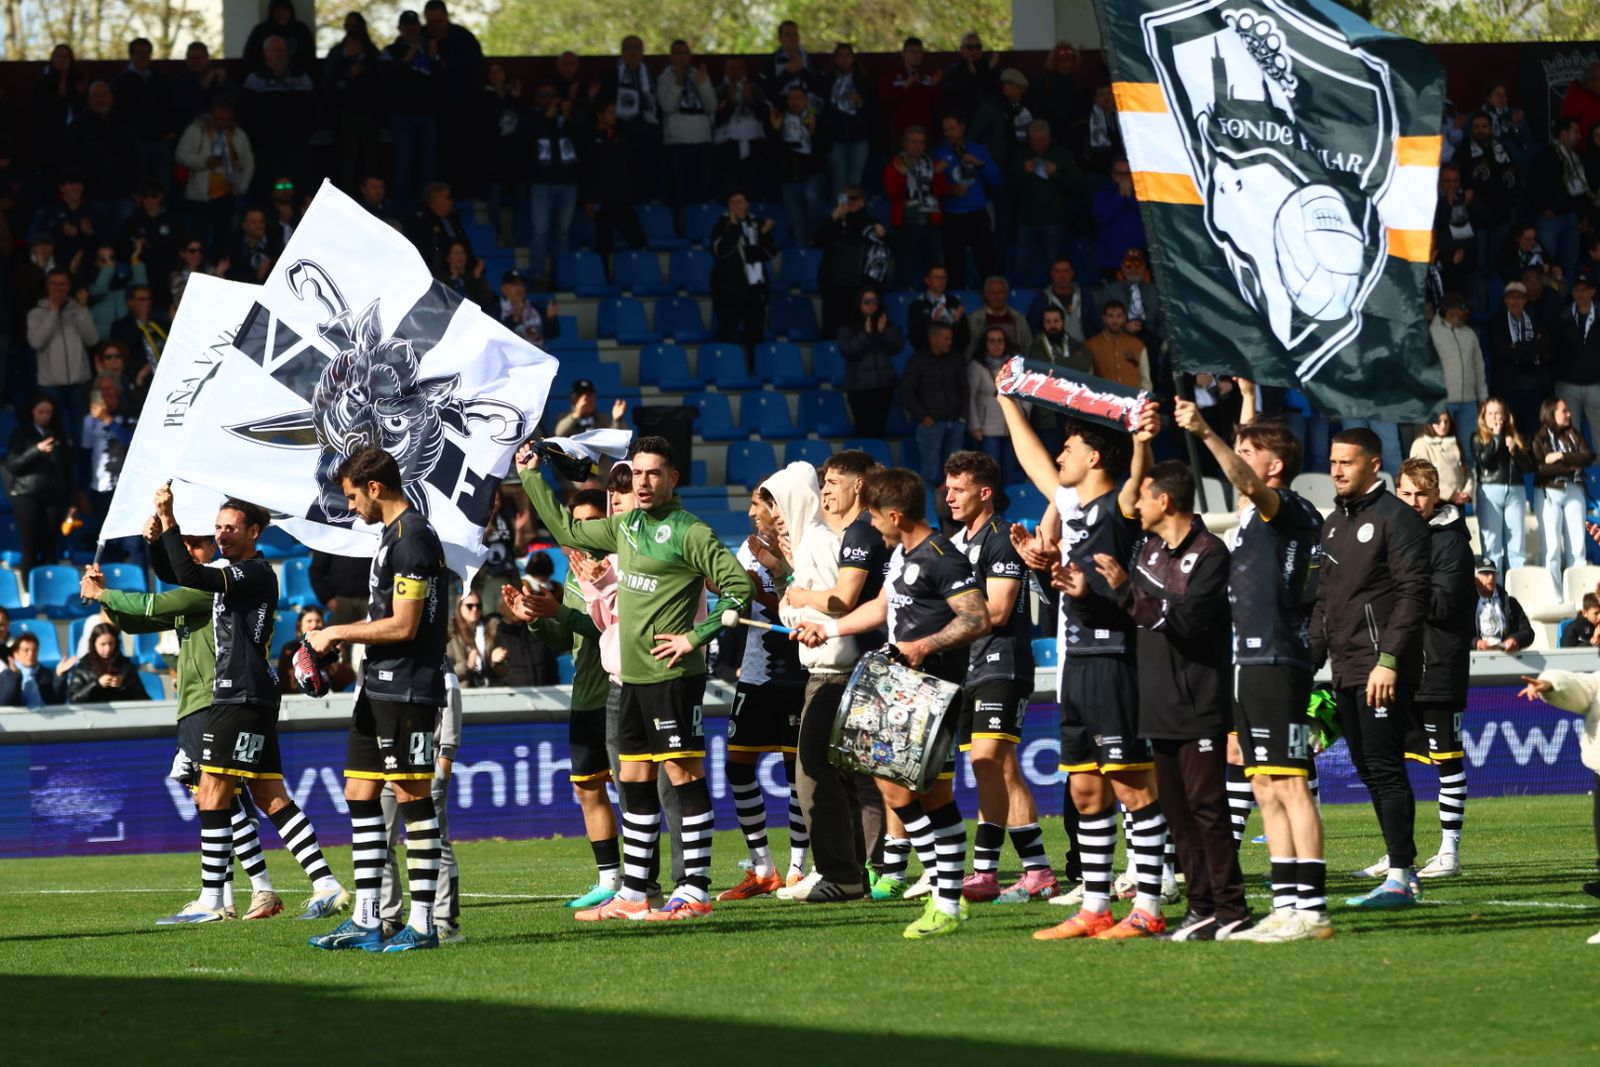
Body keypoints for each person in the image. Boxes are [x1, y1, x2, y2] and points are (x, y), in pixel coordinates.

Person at [516, 435, 755, 921]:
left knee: (683, 775)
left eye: (653, 474)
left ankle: (695, 891)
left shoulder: (691, 532)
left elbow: (739, 588)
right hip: (630, 680)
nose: (643, 483)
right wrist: (529, 476)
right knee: (634, 775)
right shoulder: (627, 527)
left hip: (673, 676)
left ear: (672, 479)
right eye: (637, 473)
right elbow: (567, 528)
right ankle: (633, 894)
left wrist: (695, 637)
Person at [87, 519, 343, 923]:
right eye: (185, 543)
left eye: (198, 543)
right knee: (258, 795)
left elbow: (150, 605)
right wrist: (104, 598)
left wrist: (105, 592)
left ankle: (224, 898)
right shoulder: (209, 591)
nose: (190, 551)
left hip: (216, 702)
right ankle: (311, 885)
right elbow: (135, 620)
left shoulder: (214, 587)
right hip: (216, 701)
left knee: (215, 795)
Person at [996, 392, 1173, 940]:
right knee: (1085, 789)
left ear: (1094, 458)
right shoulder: (1072, 509)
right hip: (1078, 662)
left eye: (1068, 447)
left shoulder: (1119, 505)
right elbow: (1031, 460)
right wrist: (1007, 401)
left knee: (1132, 784)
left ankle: (1147, 904)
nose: (1060, 455)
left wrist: (1142, 440)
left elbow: (1138, 474)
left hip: (1117, 659)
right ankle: (1095, 906)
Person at [794, 467, 989, 939]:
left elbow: (977, 616)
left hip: (931, 692)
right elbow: (883, 606)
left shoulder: (943, 557)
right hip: (903, 690)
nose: (870, 527)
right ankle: (948, 899)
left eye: (875, 518)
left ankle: (945, 896)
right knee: (919, 795)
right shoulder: (902, 553)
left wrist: (924, 646)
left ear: (895, 515)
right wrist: (830, 628)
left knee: (901, 792)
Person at [154, 486, 347, 925]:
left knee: (212, 791)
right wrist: (157, 540)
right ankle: (326, 885)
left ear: (254, 532)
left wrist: (169, 520)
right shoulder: (239, 571)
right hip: (251, 694)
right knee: (269, 796)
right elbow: (182, 571)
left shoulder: (254, 572)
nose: (221, 535)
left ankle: (213, 902)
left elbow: (193, 575)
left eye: (230, 528)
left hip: (238, 694)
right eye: (218, 527)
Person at [1176, 402, 1332, 941]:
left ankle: (1312, 910)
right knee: (1263, 783)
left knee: (1289, 783)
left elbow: (1244, 478)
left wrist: (1205, 433)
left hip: (1276, 659)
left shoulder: (1283, 506)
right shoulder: (1250, 518)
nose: (1237, 461)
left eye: (1248, 453)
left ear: (1274, 467)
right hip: (1246, 661)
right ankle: (1286, 905)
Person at [305, 447, 452, 952]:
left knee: (412, 798)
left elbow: (407, 625)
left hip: (409, 688)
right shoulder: (393, 537)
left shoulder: (413, 539)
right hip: (379, 686)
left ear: (375, 487)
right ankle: (367, 918)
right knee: (359, 792)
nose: (350, 508)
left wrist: (336, 633)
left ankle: (425, 922)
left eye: (351, 496)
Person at [1098, 453, 1249, 941]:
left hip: (1199, 700)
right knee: (1178, 815)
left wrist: (1126, 593)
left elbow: (1185, 622)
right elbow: (1138, 613)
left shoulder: (1210, 554)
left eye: (1142, 495)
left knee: (1209, 810)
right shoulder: (1148, 550)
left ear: (1164, 500)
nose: (1135, 504)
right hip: (1157, 701)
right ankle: (1200, 907)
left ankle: (1232, 908)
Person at [1310, 428, 1431, 909]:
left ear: (1373, 465)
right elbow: (1324, 603)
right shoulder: (1333, 523)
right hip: (1345, 668)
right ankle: (1400, 870)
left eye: (1347, 462)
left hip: (1381, 669)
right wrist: (1309, 664)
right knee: (1367, 767)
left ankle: (1403, 874)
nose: (1337, 470)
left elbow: (1412, 595)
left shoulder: (1397, 520)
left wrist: (1389, 660)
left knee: (1383, 768)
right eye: (1333, 462)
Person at [941, 452, 1052, 904]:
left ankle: (1018, 870)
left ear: (984, 492)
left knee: (994, 760)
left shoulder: (1001, 538)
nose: (949, 497)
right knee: (987, 767)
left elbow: (1000, 610)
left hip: (1001, 662)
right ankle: (1007, 871)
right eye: (947, 488)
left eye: (959, 489)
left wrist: (937, 632)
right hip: (968, 667)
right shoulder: (955, 542)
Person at [509, 488, 621, 910]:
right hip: (586, 695)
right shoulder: (574, 573)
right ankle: (610, 878)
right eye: (573, 524)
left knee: (634, 792)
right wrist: (537, 617)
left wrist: (559, 611)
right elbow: (567, 638)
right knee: (589, 789)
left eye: (589, 521)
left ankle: (648, 882)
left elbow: (611, 629)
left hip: (620, 692)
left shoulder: (618, 565)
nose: (579, 531)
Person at [769, 455, 874, 902]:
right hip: (837, 667)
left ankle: (843, 873)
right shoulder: (821, 538)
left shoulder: (818, 539)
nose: (773, 513)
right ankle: (860, 871)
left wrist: (793, 598)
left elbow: (837, 601)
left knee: (816, 773)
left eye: (776, 502)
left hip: (834, 670)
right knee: (852, 777)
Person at [715, 486, 811, 900]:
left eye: (759, 504)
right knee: (737, 768)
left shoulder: (806, 545)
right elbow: (737, 599)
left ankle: (797, 868)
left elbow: (803, 611)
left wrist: (768, 585)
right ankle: (763, 868)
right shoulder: (747, 549)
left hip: (797, 673)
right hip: (755, 674)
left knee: (797, 776)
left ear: (779, 508)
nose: (752, 511)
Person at [1388, 459, 1475, 885]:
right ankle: (1397, 854)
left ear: (1435, 495)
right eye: (1405, 493)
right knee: (1390, 764)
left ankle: (1449, 850)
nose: (1413, 501)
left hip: (1439, 669)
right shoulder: (1398, 536)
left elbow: (1441, 605)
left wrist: (1400, 584)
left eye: (1421, 494)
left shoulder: (1452, 543)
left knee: (1447, 762)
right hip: (1399, 668)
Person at [377, 667, 463, 944]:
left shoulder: (440, 663)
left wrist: (447, 751)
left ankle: (444, 921)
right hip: (388, 761)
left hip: (426, 759)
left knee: (435, 839)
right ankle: (390, 918)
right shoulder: (385, 662)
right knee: (381, 841)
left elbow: (451, 704)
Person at [4, 395, 72, 576]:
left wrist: (70, 499)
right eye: (41, 412)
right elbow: (13, 465)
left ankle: (49, 590)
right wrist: (37, 450)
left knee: (51, 546)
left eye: (49, 412)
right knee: (30, 546)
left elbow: (67, 469)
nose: (45, 416)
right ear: (32, 412)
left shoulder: (58, 433)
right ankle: (29, 594)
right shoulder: (21, 434)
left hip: (53, 495)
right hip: (27, 494)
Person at [901, 322, 968, 506]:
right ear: (934, 338)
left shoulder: (955, 359)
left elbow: (964, 388)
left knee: (954, 471)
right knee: (930, 472)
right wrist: (923, 417)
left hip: (955, 422)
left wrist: (962, 417)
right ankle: (932, 510)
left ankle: (951, 510)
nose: (949, 342)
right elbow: (907, 391)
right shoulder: (917, 360)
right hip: (931, 424)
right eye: (946, 338)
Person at [812, 185, 891, 339]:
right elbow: (815, 239)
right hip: (834, 287)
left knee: (859, 334)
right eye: (843, 198)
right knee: (833, 332)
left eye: (852, 198)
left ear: (861, 202)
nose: (847, 202)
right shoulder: (833, 222)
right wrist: (832, 218)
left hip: (860, 289)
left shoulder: (871, 224)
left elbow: (888, 251)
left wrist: (884, 235)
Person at [932, 113, 1001, 287]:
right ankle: (956, 302)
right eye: (945, 130)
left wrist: (979, 164)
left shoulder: (979, 149)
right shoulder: (938, 153)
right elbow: (931, 187)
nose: (948, 133)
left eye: (952, 128)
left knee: (986, 261)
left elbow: (997, 182)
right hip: (952, 215)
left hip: (977, 213)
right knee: (954, 264)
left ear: (962, 127)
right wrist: (949, 189)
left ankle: (992, 298)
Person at [524, 83, 582, 290]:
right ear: (537, 98)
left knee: (563, 232)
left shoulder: (566, 117)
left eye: (552, 96)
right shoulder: (532, 117)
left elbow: (581, 140)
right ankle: (538, 275)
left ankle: (560, 275)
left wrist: (567, 117)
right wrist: (547, 117)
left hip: (567, 183)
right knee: (541, 231)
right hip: (542, 184)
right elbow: (527, 137)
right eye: (543, 96)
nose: (548, 100)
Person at [709, 191, 778, 363]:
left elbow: (770, 254)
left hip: (754, 291)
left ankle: (755, 374)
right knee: (727, 336)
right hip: (728, 292)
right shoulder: (722, 224)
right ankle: (728, 372)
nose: (736, 206)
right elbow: (721, 252)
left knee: (756, 337)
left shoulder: (756, 223)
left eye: (739, 202)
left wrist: (764, 234)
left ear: (747, 204)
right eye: (732, 202)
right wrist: (734, 227)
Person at [27, 268, 98, 433]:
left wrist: (81, 310)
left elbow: (92, 339)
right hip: (50, 384)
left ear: (69, 286)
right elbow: (36, 342)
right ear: (47, 286)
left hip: (79, 382)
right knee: (54, 432)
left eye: (62, 284)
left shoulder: (78, 309)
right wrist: (53, 312)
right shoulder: (36, 313)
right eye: (53, 283)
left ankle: (81, 459)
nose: (57, 288)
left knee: (81, 430)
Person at [1533, 396, 1592, 589]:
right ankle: (1554, 593)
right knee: (1552, 547)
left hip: (1574, 490)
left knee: (1577, 546)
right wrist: (1570, 467)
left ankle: (1580, 591)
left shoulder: (1574, 434)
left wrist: (1561, 456)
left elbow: (1588, 456)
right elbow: (1541, 469)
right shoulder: (1539, 437)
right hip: (1549, 491)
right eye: (1564, 411)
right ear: (1551, 413)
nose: (1569, 414)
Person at [657, 41, 718, 220]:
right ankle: (682, 230)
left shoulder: (699, 75)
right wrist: (678, 82)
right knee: (679, 192)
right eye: (677, 53)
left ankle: (702, 226)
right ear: (671, 57)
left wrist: (703, 84)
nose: (682, 57)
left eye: (685, 53)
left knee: (703, 189)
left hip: (702, 141)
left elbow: (712, 106)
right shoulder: (664, 78)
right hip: (677, 142)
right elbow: (667, 106)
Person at [1472, 398, 1533, 573]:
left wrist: (1515, 450)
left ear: (1505, 415)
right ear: (1483, 417)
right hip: (1490, 490)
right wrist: (1497, 438)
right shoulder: (1478, 438)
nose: (1494, 417)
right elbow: (1484, 461)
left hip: (1515, 491)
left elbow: (1528, 467)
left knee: (1517, 548)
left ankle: (1516, 592)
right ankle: (1493, 592)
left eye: (1497, 412)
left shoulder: (1515, 437)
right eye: (1489, 413)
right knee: (1492, 547)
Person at [882, 125, 947, 290]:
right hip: (906, 224)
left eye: (921, 142)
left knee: (934, 268)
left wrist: (936, 174)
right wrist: (906, 174)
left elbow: (943, 191)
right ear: (905, 143)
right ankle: (905, 302)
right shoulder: (894, 166)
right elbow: (893, 193)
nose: (918, 146)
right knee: (905, 268)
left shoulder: (933, 164)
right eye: (913, 142)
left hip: (931, 223)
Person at [836, 287, 904, 439]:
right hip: (860, 388)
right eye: (867, 302)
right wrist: (865, 334)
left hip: (883, 385)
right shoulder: (848, 327)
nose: (871, 305)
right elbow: (848, 351)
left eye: (874, 301)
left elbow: (898, 346)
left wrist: (882, 333)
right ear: (859, 304)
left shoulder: (886, 324)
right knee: (864, 431)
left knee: (880, 431)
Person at [1489, 281, 1552, 434]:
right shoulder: (1497, 323)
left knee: (1533, 433)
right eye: (1510, 297)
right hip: (1508, 387)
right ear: (1505, 300)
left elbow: (1545, 345)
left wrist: (1517, 347)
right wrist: (1531, 347)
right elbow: (1502, 352)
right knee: (1510, 432)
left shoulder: (1537, 320)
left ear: (1525, 300)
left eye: (1519, 297)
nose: (1514, 301)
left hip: (1534, 386)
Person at [771, 85, 829, 244]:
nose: (794, 102)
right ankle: (802, 256)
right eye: (791, 98)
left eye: (798, 98)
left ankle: (815, 239)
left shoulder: (817, 118)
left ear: (806, 100)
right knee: (794, 223)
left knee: (811, 195)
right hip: (789, 177)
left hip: (813, 173)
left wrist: (813, 130)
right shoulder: (781, 120)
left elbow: (825, 149)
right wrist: (776, 131)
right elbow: (774, 153)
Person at [821, 44, 874, 200]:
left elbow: (874, 109)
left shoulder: (863, 79)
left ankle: (854, 217)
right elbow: (821, 108)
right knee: (839, 181)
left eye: (848, 56)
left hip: (859, 136)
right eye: (840, 56)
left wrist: (860, 103)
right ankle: (840, 217)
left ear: (853, 58)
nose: (844, 60)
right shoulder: (827, 80)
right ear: (835, 59)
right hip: (836, 137)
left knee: (855, 181)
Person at [1554, 269, 1600, 445]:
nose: (1580, 294)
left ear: (1592, 292)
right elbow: (1554, 350)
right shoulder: (1562, 317)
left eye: (1584, 289)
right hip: (1568, 385)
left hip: (1596, 385)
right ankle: (1574, 471)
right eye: (1577, 290)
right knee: (1570, 433)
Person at [879, 37, 943, 152]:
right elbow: (884, 101)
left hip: (925, 136)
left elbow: (939, 105)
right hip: (901, 136)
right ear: (903, 54)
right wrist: (905, 86)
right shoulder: (892, 76)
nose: (915, 56)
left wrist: (935, 87)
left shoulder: (928, 77)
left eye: (919, 52)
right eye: (912, 52)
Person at [277, 606, 354, 694]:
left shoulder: (334, 646)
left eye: (318, 621)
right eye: (309, 621)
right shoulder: (290, 648)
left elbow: (344, 681)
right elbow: (287, 685)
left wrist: (338, 655)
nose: (314, 625)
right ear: (299, 625)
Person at [67, 622, 148, 702]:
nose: (108, 649)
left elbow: (143, 698)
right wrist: (97, 684)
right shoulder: (83, 666)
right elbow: (74, 698)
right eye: (103, 644)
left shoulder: (126, 665)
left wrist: (123, 685)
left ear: (116, 643)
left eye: (111, 643)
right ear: (93, 643)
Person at [1409, 410, 1473, 508]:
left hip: (1458, 503)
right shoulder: (1420, 444)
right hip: (1436, 503)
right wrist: (1451, 494)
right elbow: (1423, 476)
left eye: (1446, 421)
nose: (1443, 425)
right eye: (1438, 421)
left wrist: (1467, 492)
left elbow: (1466, 471)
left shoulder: (1454, 442)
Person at [1471, 556, 1534, 652]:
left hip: (1507, 657)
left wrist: (1515, 640)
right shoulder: (1466, 604)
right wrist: (1476, 643)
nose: (1491, 577)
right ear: (1475, 577)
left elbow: (1528, 632)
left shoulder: (1510, 603)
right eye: (1485, 573)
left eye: (1493, 573)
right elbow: (1457, 633)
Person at [1085, 300, 1152, 391]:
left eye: (1119, 316)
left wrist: (1145, 402)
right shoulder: (1091, 345)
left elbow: (1145, 380)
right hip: (1105, 401)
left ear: (1125, 318)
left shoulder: (1138, 345)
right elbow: (1088, 380)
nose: (1115, 320)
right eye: (1110, 316)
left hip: (1133, 401)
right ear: (1104, 318)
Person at [963, 276, 1033, 360]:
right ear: (986, 295)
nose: (997, 296)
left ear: (1006, 294)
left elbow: (1028, 345)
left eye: (1000, 292)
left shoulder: (1018, 318)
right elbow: (969, 349)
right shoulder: (973, 319)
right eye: (993, 293)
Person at [1027, 257, 1095, 342]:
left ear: (1072, 273)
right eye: (1057, 272)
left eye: (1065, 271)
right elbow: (1032, 328)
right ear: (1051, 274)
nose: (1062, 276)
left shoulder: (1085, 296)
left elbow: (1094, 325)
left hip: (1083, 349)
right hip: (1052, 351)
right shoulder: (1041, 300)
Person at [907, 264, 970, 353]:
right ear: (927, 280)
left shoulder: (955, 303)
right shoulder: (917, 305)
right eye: (936, 277)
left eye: (943, 278)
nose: (941, 281)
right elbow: (915, 340)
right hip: (926, 356)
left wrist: (956, 323)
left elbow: (965, 339)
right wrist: (933, 324)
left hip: (952, 356)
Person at [0, 633, 65, 707]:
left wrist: (59, 677)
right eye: (26, 650)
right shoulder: (5, 676)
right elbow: (5, 703)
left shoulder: (46, 674)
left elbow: (57, 702)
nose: (31, 653)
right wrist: (14, 676)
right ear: (15, 653)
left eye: (34, 650)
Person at [499, 270, 561, 347]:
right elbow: (498, 337)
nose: (519, 288)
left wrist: (550, 319)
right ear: (504, 288)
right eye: (515, 285)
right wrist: (515, 318)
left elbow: (552, 335)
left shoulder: (536, 308)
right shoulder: (496, 309)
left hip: (536, 354)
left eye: (522, 285)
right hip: (510, 356)